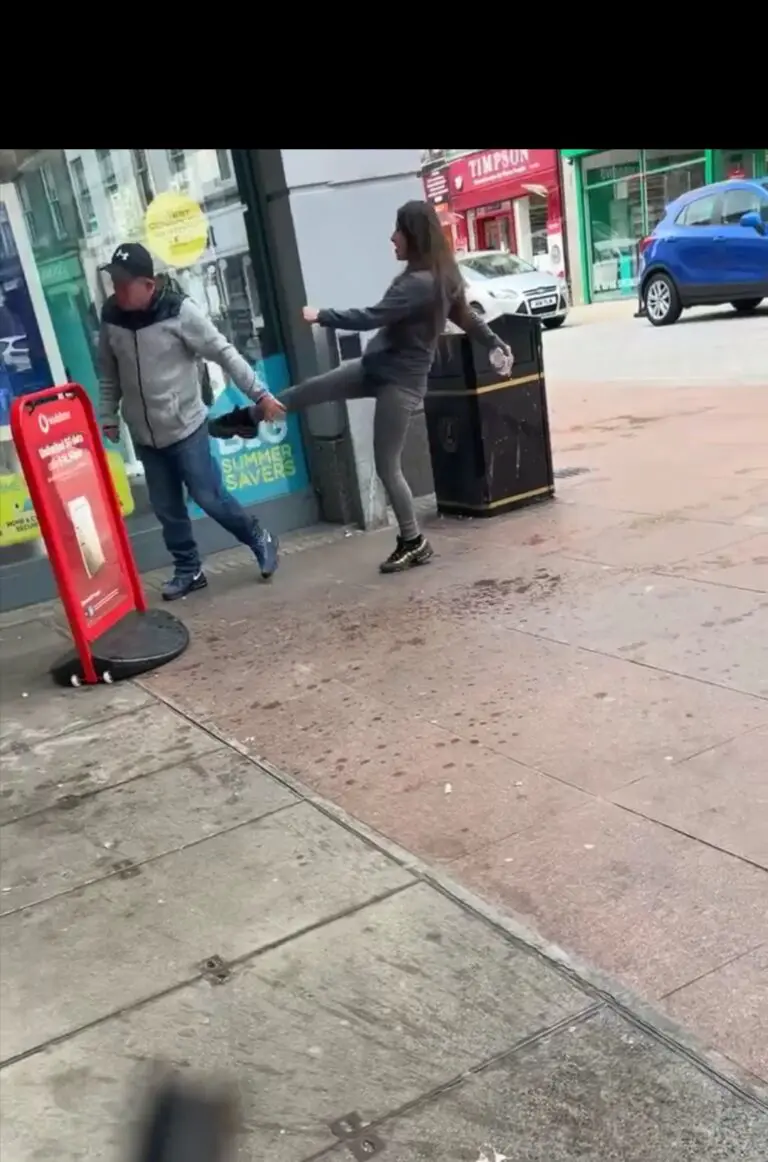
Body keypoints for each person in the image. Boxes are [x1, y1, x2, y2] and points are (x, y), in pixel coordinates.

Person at [210, 201, 513, 574]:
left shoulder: (421, 284)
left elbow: (372, 317)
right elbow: (466, 318)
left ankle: (413, 541)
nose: (392, 237)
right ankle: (251, 416)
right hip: (375, 367)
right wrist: (496, 342)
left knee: (388, 466)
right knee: (312, 389)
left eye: (397, 230)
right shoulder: (437, 277)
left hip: (398, 384)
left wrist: (323, 315)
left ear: (413, 235)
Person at [97, 243, 283, 600]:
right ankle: (189, 570)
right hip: (145, 434)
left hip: (186, 427)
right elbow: (109, 373)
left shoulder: (179, 312)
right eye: (114, 284)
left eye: (125, 285)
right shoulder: (112, 318)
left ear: (149, 285)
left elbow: (224, 354)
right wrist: (108, 415)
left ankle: (259, 537)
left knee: (209, 498)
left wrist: (260, 394)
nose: (117, 292)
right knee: (168, 510)